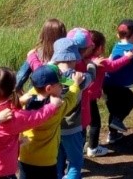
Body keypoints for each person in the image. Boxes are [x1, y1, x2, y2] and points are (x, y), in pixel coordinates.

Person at [0, 67, 63, 179]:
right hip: (2, 172)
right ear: (12, 90)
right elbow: (36, 117)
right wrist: (53, 106)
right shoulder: (12, 117)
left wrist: (19, 102)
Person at [18, 65, 84, 179]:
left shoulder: (24, 103)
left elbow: (36, 90)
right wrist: (75, 84)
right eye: (60, 85)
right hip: (46, 161)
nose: (62, 87)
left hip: (25, 157)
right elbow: (71, 99)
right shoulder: (56, 108)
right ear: (49, 88)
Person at [84, 30, 133, 157]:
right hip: (90, 98)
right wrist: (127, 57)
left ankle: (84, 145)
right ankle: (93, 148)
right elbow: (113, 65)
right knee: (95, 123)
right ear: (100, 47)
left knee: (84, 122)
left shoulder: (83, 59)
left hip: (81, 96)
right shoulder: (100, 62)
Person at [51, 38, 96, 179]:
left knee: (56, 161)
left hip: (54, 126)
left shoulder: (51, 76)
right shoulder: (77, 78)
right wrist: (91, 65)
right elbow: (92, 77)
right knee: (75, 162)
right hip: (72, 127)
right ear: (73, 59)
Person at [16, 18, 67, 92]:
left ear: (43, 34)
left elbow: (20, 78)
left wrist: (19, 96)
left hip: (37, 94)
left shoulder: (34, 54)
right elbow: (69, 80)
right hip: (59, 95)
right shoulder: (67, 54)